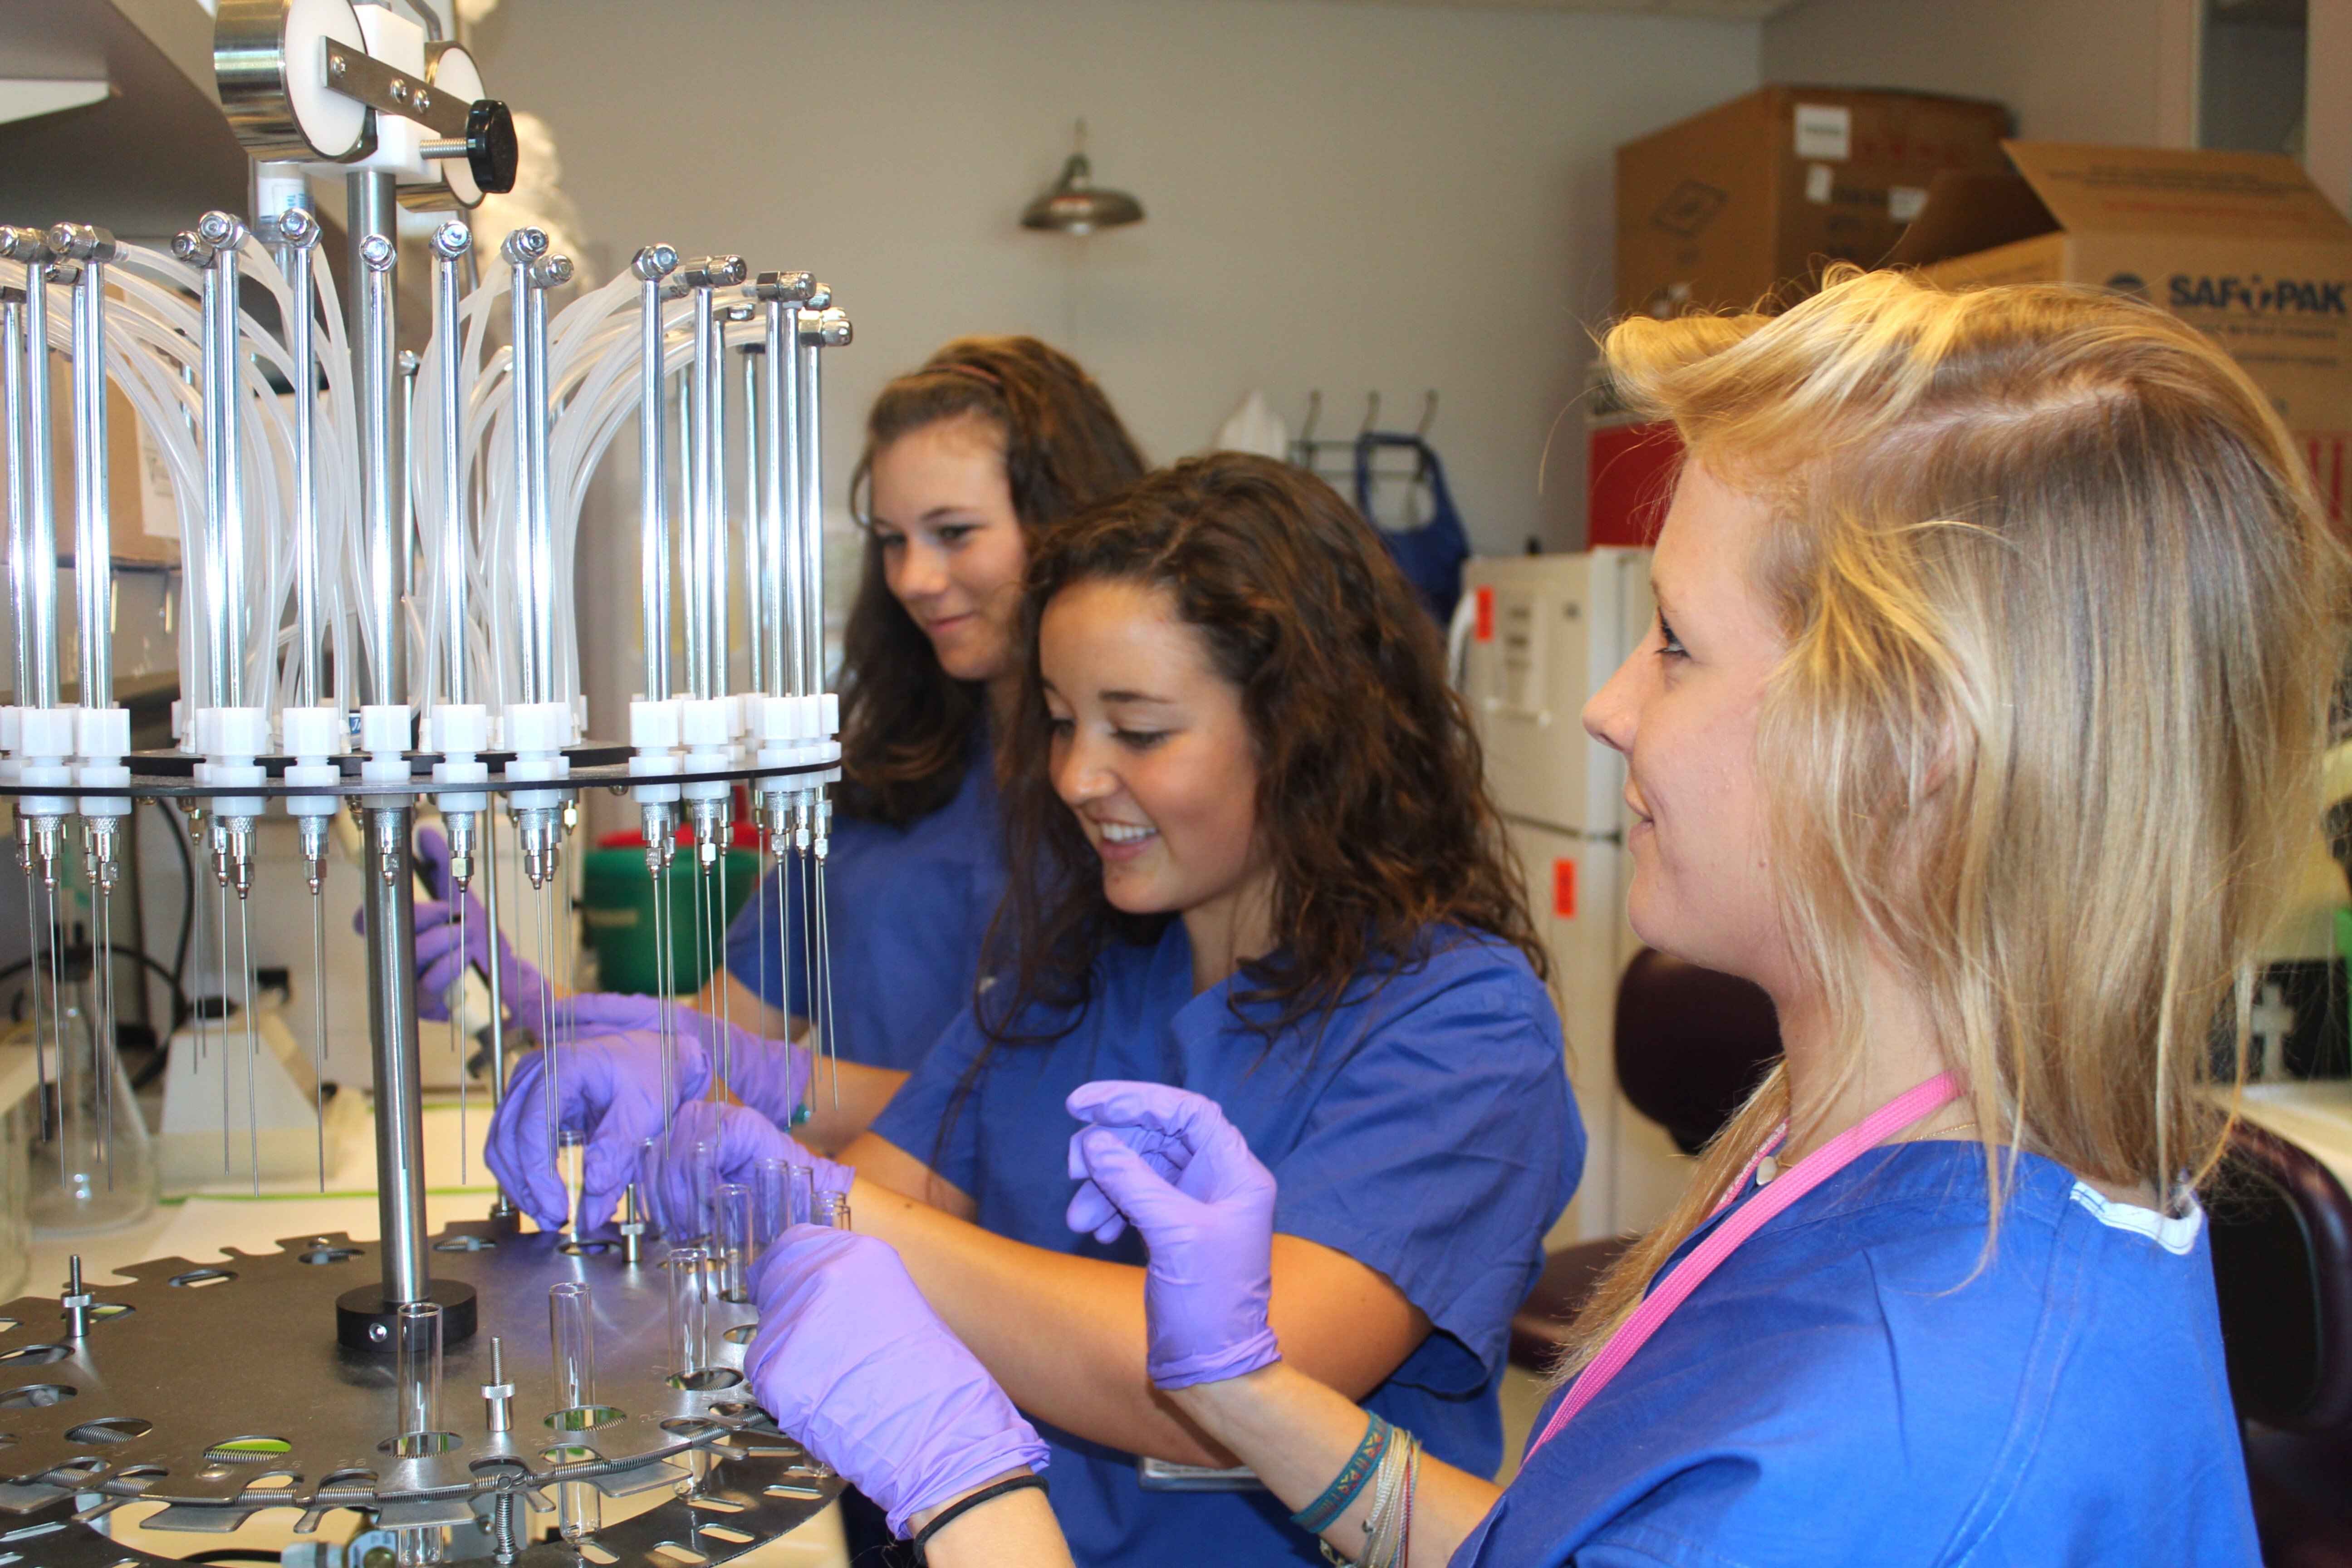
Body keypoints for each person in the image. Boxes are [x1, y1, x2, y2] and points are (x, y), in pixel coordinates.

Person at [734, 267, 2347, 1567]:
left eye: (1676, 644)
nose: (1605, 706)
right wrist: (1243, 1384)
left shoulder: (1878, 1436)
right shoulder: (1863, 1166)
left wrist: (967, 1493)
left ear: (1907, 744)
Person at [683, 452, 1582, 1568]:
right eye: (1062, 722)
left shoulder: (1462, 1030)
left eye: (1140, 731)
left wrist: (818, 1203)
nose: (1075, 776)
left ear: (1305, 739)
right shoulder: (1082, 970)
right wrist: (730, 1149)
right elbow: (891, 1188)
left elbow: (1221, 1394)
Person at [452, 337, 1146, 1226]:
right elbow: (724, 1037)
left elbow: (1063, 1107)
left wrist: (788, 1087)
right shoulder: (891, 779)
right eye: (891, 542)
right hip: (864, 1242)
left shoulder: (1133, 806)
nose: (914, 579)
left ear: (1062, 524)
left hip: (1049, 1267)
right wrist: (550, 1017)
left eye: (954, 533)